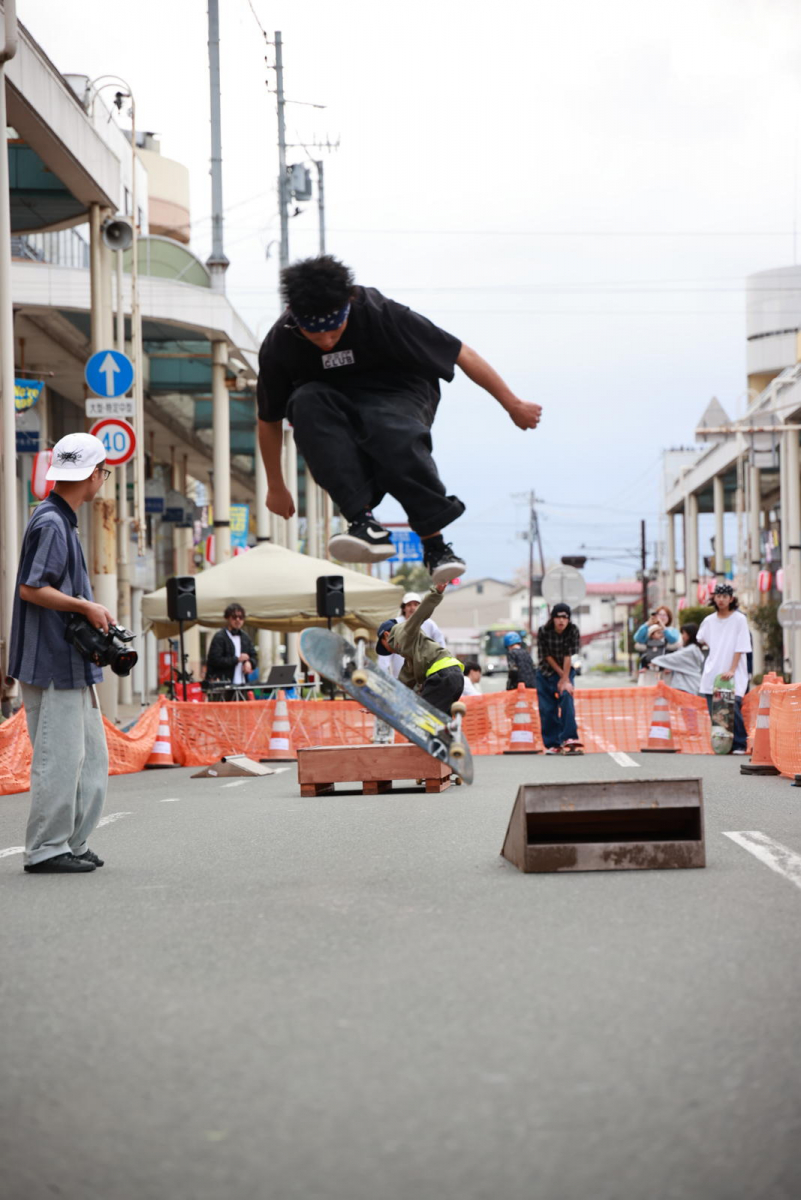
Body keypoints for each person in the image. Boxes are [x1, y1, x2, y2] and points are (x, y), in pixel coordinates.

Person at [256, 255, 542, 584]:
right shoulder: (281, 342)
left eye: (334, 332)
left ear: (348, 304)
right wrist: (276, 485)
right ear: (296, 317)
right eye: (315, 336)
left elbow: (461, 353)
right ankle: (363, 523)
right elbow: (268, 418)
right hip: (332, 401)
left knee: (386, 430)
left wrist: (512, 404)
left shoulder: (380, 313)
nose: (326, 342)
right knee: (304, 403)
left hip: (401, 390)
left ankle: (436, 546)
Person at [7, 433, 113, 874]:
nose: (103, 479)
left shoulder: (58, 519)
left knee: (90, 759)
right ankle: (47, 848)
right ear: (92, 475)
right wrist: (85, 605)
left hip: (69, 663)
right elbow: (32, 588)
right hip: (51, 662)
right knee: (60, 759)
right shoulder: (52, 522)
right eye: (103, 471)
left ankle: (71, 841)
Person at [376, 584, 464, 714]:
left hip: (442, 675)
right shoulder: (410, 659)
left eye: (385, 647)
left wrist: (436, 593)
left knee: (423, 715)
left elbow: (420, 614)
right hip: (455, 675)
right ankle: (450, 733)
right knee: (439, 721)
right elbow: (402, 686)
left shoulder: (403, 631)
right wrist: (382, 707)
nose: (389, 652)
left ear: (386, 635)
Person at [697, 584, 751, 754]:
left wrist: (733, 669)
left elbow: (741, 646)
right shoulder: (709, 620)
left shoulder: (739, 619)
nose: (721, 600)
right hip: (713, 669)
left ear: (731, 599)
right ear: (714, 598)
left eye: (725, 596)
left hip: (734, 671)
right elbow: (700, 638)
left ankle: (740, 743)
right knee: (715, 710)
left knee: (733, 704)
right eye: (718, 596)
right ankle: (722, 744)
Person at [535, 603, 582, 753]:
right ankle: (552, 744)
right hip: (545, 672)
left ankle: (569, 737)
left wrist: (565, 680)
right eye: (558, 617)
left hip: (567, 671)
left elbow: (568, 655)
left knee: (567, 697)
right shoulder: (543, 631)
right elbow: (546, 655)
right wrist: (562, 677)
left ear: (568, 619)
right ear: (553, 618)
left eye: (565, 617)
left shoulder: (573, 630)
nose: (561, 621)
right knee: (547, 708)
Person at [378, 590, 446, 680]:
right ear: (404, 608)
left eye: (416, 604)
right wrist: (385, 678)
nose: (412, 608)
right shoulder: (394, 624)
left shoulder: (430, 624)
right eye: (409, 605)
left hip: (426, 676)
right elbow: (385, 652)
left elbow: (441, 644)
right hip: (401, 677)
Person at [205, 604, 258, 696]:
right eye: (234, 617)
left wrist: (250, 663)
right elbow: (214, 660)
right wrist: (236, 659)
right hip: (223, 686)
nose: (238, 620)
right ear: (227, 618)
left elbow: (254, 656)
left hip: (242, 684)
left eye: (241, 617)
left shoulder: (245, 637)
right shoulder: (219, 637)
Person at [649, 623, 704, 695]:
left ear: (690, 635)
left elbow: (673, 658)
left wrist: (656, 661)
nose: (682, 636)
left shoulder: (690, 650)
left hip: (687, 685)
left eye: (684, 633)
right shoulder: (694, 649)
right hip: (691, 684)